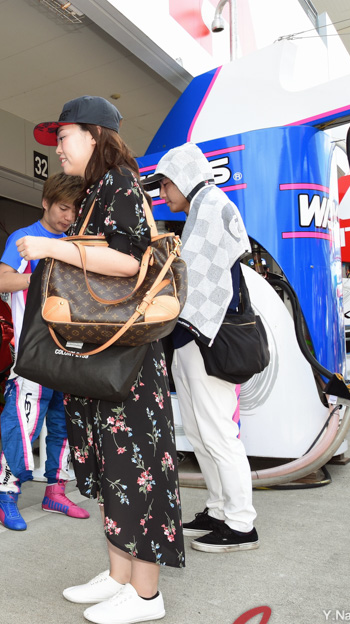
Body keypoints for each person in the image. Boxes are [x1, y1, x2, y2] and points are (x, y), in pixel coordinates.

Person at [20, 95, 184, 624]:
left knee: (137, 468)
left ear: (93, 136)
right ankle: (119, 576)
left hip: (127, 358)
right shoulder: (96, 190)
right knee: (113, 467)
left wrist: (51, 248)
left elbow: (128, 261)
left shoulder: (119, 183)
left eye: (63, 137)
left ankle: (146, 594)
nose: (57, 148)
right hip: (104, 350)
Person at [142, 142, 259, 553]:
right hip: (192, 337)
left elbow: (190, 276)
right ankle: (219, 508)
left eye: (166, 184)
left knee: (217, 432)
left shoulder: (210, 206)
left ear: (184, 177)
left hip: (207, 336)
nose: (163, 194)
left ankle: (241, 523)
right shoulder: (203, 209)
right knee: (198, 430)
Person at [0, 173, 90, 530]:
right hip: (33, 353)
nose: (68, 216)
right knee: (22, 425)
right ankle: (6, 498)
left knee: (64, 425)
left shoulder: (76, 241)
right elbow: (0, 281)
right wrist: (40, 279)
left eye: (74, 210)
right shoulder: (25, 238)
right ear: (46, 203)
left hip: (71, 351)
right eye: (63, 208)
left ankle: (56, 492)